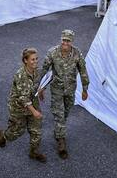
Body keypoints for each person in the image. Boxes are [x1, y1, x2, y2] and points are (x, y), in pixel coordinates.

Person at [38, 29, 89, 159]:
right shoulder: (52, 53)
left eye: (68, 41)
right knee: (59, 114)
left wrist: (85, 89)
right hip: (57, 89)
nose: (65, 43)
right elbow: (44, 70)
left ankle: (58, 131)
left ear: (72, 42)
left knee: (65, 112)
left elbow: (83, 71)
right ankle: (61, 141)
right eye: (63, 40)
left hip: (71, 89)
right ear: (61, 40)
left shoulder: (77, 54)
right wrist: (40, 87)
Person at [0, 48, 46, 163]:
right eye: (32, 59)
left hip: (32, 102)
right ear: (25, 60)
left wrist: (41, 92)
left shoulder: (36, 71)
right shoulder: (20, 75)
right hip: (18, 107)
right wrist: (34, 112)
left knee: (36, 129)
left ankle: (34, 151)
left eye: (36, 59)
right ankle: (3, 135)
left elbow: (39, 83)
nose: (35, 61)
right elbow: (23, 98)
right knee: (17, 131)